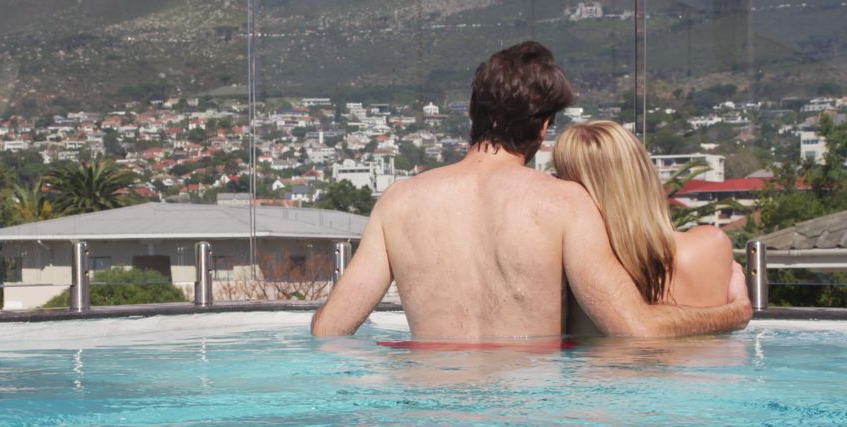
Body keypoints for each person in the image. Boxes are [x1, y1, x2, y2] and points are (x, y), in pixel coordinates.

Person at [311, 41, 751, 339]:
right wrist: (734, 313)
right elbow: (634, 327)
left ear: (470, 109)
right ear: (543, 127)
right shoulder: (564, 204)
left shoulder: (398, 202)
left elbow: (328, 330)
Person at [552, 120, 734, 335]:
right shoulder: (713, 243)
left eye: (560, 178)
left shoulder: (577, 270)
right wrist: (738, 310)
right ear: (642, 172)